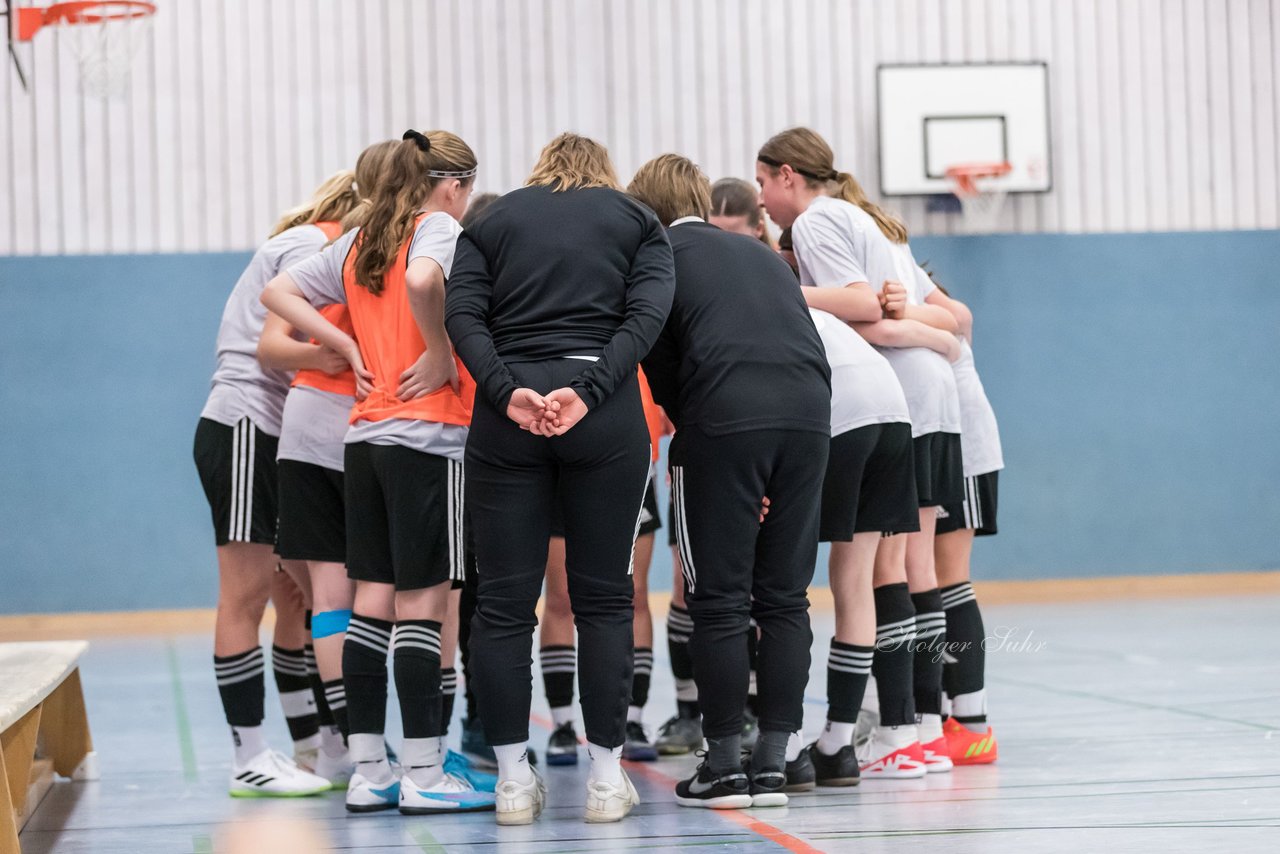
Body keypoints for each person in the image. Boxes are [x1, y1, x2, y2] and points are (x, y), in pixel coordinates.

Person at [262, 129, 495, 815]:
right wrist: (439, 349)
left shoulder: (359, 242)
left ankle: (371, 771)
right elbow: (425, 281)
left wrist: (337, 341)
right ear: (439, 182)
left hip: (362, 439)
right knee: (424, 605)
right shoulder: (436, 231)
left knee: (370, 603)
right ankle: (424, 772)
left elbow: (278, 292)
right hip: (428, 436)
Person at [444, 133, 675, 825]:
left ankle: (514, 779)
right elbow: (648, 317)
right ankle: (607, 779)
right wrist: (594, 387)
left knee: (505, 607)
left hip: (505, 414)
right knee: (605, 601)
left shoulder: (489, 221)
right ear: (603, 173)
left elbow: (462, 314)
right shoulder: (638, 220)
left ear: (538, 169)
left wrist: (506, 388)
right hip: (603, 416)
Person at [756, 126, 961, 779]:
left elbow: (860, 302)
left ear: (789, 175)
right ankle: (908, 726)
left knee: (859, 575)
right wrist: (936, 340)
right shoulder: (863, 220)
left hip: (865, 404)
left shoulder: (815, 226)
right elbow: (933, 316)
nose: (762, 197)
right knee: (892, 571)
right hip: (900, 403)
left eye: (764, 182)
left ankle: (842, 736)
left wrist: (770, 285)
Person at [629, 153, 831, 809]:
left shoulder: (658, 258)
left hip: (724, 421)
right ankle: (772, 763)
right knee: (785, 598)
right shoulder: (762, 255)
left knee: (717, 599)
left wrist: (721, 444)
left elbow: (658, 367)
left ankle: (722, 766)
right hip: (808, 420)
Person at [193, 171, 361, 798]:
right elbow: (275, 347)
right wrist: (329, 356)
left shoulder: (313, 244)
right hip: (245, 425)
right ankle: (248, 755)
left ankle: (320, 748)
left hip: (279, 436)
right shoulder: (310, 246)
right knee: (245, 594)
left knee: (300, 597)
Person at [257, 140, 400, 788]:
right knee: (388, 599)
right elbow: (274, 339)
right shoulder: (393, 247)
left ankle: (353, 746)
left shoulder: (337, 249)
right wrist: (339, 349)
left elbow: (273, 322)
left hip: (314, 429)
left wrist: (328, 349)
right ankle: (369, 744)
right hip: (354, 428)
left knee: (333, 603)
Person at [927, 274, 1003, 765]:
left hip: (965, 455)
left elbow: (962, 315)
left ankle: (973, 723)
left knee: (950, 579)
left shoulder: (940, 316)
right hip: (942, 450)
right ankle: (939, 715)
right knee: (927, 580)